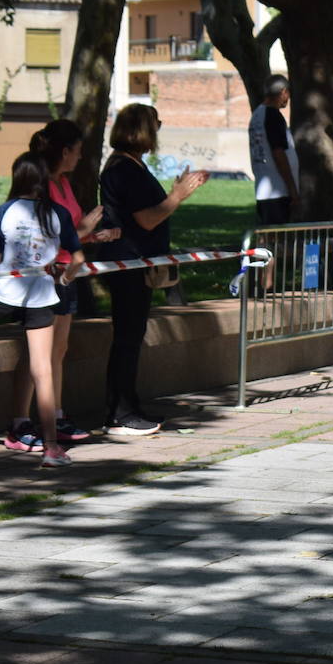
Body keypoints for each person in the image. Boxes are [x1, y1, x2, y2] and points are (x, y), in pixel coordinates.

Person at [0, 152, 84, 467]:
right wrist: (62, 278)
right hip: (40, 296)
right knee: (44, 370)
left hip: (3, 293)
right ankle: (51, 447)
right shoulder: (59, 214)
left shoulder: (3, 211)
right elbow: (76, 259)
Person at [0, 119, 120, 451]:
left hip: (67, 274)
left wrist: (93, 234)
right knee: (37, 353)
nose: (80, 159)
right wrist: (81, 231)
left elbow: (67, 234)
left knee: (57, 351)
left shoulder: (63, 183)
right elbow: (44, 239)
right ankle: (21, 420)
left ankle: (55, 416)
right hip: (46, 276)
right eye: (77, 152)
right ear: (64, 151)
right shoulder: (40, 187)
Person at [93, 103, 207, 435]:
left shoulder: (131, 166)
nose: (159, 127)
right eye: (156, 122)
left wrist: (173, 193)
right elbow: (146, 218)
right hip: (128, 262)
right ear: (142, 129)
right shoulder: (123, 169)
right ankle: (119, 413)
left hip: (136, 262)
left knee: (132, 336)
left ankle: (128, 404)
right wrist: (178, 195)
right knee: (127, 337)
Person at [248, 74, 299, 224]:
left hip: (264, 190)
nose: (288, 98)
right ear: (283, 92)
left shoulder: (257, 115)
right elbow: (278, 153)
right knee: (278, 240)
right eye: (288, 93)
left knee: (270, 237)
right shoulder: (273, 116)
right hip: (277, 190)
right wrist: (292, 189)